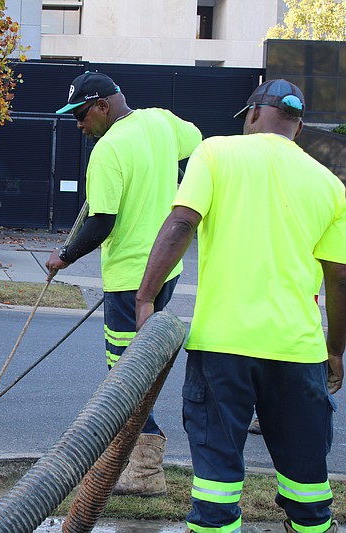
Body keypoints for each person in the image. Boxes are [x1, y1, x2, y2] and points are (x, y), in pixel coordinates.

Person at [136, 79, 346, 533]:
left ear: (252, 114)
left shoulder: (216, 152)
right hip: (298, 350)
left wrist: (145, 298)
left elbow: (181, 223)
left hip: (223, 347)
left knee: (216, 478)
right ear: (298, 126)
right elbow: (340, 277)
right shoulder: (330, 184)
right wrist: (334, 352)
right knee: (307, 480)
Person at [45, 71, 202, 496]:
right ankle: (135, 461)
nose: (79, 125)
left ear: (103, 106)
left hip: (131, 282)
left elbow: (101, 222)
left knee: (125, 376)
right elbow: (197, 142)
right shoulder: (161, 121)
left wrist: (64, 256)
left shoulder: (108, 149)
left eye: (81, 115)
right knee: (142, 367)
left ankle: (146, 471)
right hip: (166, 271)